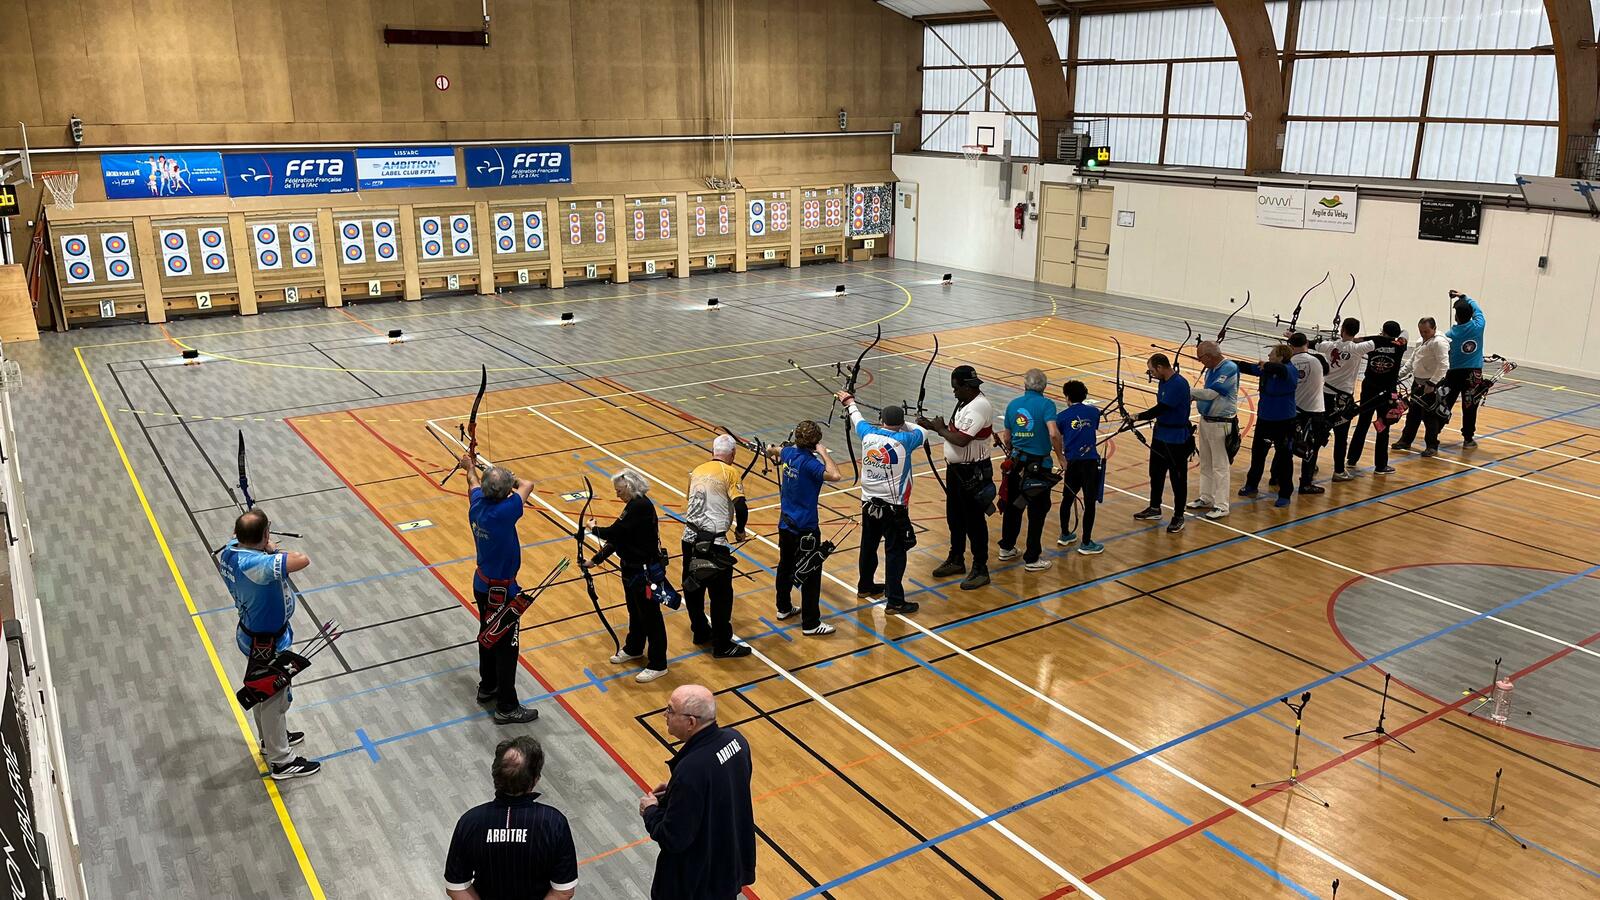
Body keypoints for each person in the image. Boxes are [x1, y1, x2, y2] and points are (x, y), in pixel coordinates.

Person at [220, 509, 319, 780]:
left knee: (261, 691)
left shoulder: (230, 552)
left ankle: (270, 740)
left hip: (253, 636)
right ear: (264, 535)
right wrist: (271, 548)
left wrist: (263, 542)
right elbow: (302, 559)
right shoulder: (258, 565)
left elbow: (238, 536)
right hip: (266, 643)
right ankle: (282, 762)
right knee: (274, 698)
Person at [641, 685, 756, 900]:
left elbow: (673, 838)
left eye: (670, 710)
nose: (665, 715)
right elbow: (724, 788)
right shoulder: (737, 740)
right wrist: (675, 794)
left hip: (696, 884)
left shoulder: (691, 770)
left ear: (691, 722)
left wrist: (650, 811)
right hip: (727, 867)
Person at [444, 736, 577, 900]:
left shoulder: (470, 821)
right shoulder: (554, 822)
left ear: (495, 775)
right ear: (535, 779)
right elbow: (563, 891)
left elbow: (456, 887)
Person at [465, 456, 541, 724]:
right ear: (507, 492)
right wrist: (510, 479)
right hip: (502, 593)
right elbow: (528, 484)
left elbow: (472, 482)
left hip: (481, 585)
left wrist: (471, 467)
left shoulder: (477, 503)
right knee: (507, 648)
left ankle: (488, 686)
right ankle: (507, 707)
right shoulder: (505, 511)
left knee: (487, 636)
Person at [839, 391, 926, 613]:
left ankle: (865, 586)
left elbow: (857, 418)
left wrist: (849, 402)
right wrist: (904, 423)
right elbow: (922, 431)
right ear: (900, 423)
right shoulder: (906, 440)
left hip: (868, 504)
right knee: (895, 551)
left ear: (882, 421)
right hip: (894, 509)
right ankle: (895, 601)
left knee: (868, 545)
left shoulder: (868, 435)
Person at [587, 469, 671, 683]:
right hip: (631, 569)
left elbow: (614, 532)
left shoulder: (640, 506)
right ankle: (634, 648)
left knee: (651, 616)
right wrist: (595, 560)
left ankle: (658, 663)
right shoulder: (633, 505)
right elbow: (620, 538)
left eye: (619, 490)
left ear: (630, 487)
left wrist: (594, 529)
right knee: (635, 611)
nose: (617, 494)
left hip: (645, 572)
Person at [918, 365, 996, 589]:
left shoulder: (979, 406)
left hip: (973, 472)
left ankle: (980, 568)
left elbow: (962, 440)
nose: (953, 392)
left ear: (967, 387)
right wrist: (933, 426)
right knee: (955, 517)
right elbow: (954, 432)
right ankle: (956, 558)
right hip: (957, 471)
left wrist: (939, 429)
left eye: (956, 388)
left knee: (974, 521)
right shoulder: (964, 402)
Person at [771, 420, 843, 635]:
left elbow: (774, 450)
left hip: (785, 524)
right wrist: (824, 453)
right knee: (810, 573)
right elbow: (835, 475)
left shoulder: (788, 454)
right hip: (805, 529)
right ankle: (811, 624)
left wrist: (771, 450)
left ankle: (783, 608)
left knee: (785, 566)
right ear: (815, 442)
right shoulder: (811, 464)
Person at [681, 434, 751, 657]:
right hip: (714, 543)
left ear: (713, 452)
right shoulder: (730, 472)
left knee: (693, 586)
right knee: (721, 595)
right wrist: (740, 530)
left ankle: (700, 631)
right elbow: (741, 506)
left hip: (689, 538)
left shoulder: (696, 470)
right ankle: (722, 644)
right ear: (733, 454)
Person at [996, 368, 1061, 570]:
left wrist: (1013, 450)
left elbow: (1007, 437)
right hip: (1039, 468)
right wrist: (1062, 457)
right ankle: (1032, 558)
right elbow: (1053, 433)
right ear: (1044, 387)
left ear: (1025, 385)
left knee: (1014, 506)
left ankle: (1007, 547)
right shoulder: (1047, 405)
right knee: (1037, 511)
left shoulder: (1013, 404)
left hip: (1016, 465)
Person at [1130, 354, 1193, 533]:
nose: (1151, 374)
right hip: (1160, 435)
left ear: (1160, 367)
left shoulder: (1178, 383)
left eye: (1152, 370)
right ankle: (1155, 508)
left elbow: (1162, 408)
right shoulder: (1163, 382)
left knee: (1178, 479)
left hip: (1176, 439)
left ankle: (1179, 516)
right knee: (1156, 473)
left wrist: (1138, 416)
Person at [1237, 345, 1301, 508]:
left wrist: (1266, 365)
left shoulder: (1290, 370)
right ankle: (1252, 485)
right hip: (1264, 420)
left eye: (1271, 354)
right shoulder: (1267, 368)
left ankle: (1285, 493)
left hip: (1284, 422)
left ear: (1280, 357)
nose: (1268, 355)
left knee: (1284, 458)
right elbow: (1246, 367)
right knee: (1258, 454)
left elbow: (1279, 370)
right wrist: (1223, 362)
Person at [1317, 318, 1376, 482]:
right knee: (1341, 436)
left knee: (1319, 431)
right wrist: (1360, 339)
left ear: (1342, 329)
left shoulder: (1330, 346)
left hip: (1325, 395)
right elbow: (1378, 341)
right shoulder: (1358, 348)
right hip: (1343, 400)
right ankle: (1339, 471)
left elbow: (1311, 344)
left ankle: (1310, 464)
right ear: (1356, 332)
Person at [1346, 321, 1407, 475]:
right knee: (1383, 427)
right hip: (1386, 394)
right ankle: (1380, 466)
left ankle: (1352, 459)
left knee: (1363, 424)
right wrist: (1390, 338)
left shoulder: (1373, 343)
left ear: (1383, 332)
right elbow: (1405, 333)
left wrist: (1379, 338)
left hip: (1369, 391)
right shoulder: (1399, 346)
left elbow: (1357, 341)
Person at [1188, 340, 1239, 519]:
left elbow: (1211, 394)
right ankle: (1206, 497)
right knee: (1206, 462)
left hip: (1221, 423)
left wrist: (1186, 391)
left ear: (1209, 356)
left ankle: (1222, 505)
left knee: (1220, 465)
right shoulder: (1211, 369)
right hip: (1206, 420)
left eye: (1200, 357)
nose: (1199, 361)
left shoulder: (1229, 368)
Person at [1053, 380, 1104, 554]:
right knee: (1089, 502)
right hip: (1089, 463)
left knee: (1067, 498)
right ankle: (1086, 542)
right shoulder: (1093, 412)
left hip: (1072, 462)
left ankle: (1065, 534)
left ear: (1067, 397)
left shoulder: (1061, 417)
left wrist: (1061, 456)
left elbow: (1058, 436)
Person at [1392, 317, 1451, 458]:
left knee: (1430, 417)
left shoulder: (1439, 343)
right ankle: (1405, 440)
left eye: (1426, 331)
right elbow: (1412, 361)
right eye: (1421, 331)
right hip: (1418, 383)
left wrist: (1432, 383)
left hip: (1431, 385)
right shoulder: (1421, 341)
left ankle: (1432, 446)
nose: (1423, 334)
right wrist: (1398, 375)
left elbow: (1444, 365)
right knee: (1413, 414)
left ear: (1434, 328)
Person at [1443, 291, 1487, 448]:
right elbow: (1477, 310)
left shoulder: (1450, 334)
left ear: (1456, 317)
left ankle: (1434, 433)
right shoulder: (1479, 326)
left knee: (1445, 403)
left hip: (1454, 374)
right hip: (1473, 374)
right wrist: (1464, 297)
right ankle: (1468, 439)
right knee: (1470, 406)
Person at [1286, 333, 1328, 495]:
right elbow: (1326, 371)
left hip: (1293, 410)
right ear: (1307, 343)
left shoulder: (1287, 362)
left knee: (1286, 444)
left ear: (1291, 346)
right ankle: (1306, 483)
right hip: (1314, 411)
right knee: (1311, 448)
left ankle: (1276, 477)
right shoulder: (1318, 359)